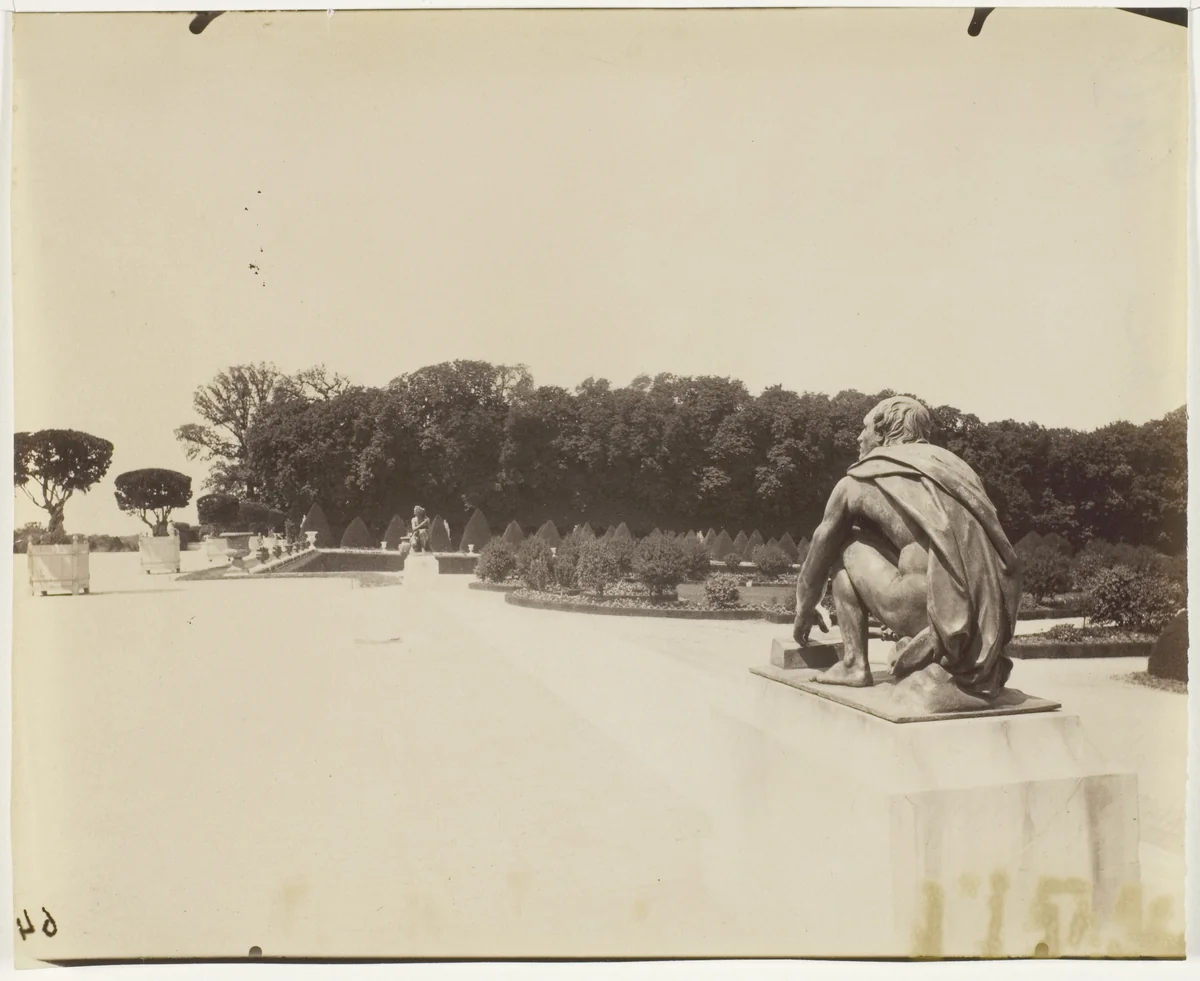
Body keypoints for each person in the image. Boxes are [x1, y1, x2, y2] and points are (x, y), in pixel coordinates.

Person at [793, 395, 1022, 708]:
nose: (859, 437)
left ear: (885, 433)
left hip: (927, 611)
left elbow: (818, 554)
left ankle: (853, 665)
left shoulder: (858, 480)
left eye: (865, 429)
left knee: (844, 543)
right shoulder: (955, 468)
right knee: (867, 549)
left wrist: (804, 609)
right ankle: (862, 662)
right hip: (981, 621)